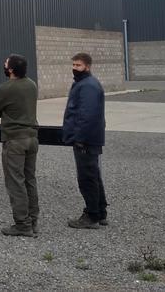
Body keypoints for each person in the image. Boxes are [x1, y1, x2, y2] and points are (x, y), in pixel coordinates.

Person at [0, 54, 40, 237]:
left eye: (5, 63)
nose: (3, 65)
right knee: (29, 180)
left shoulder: (5, 88)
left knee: (15, 182)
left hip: (15, 140)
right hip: (32, 138)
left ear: (10, 69)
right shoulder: (32, 85)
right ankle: (33, 221)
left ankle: (22, 224)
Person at [62, 52, 109, 229]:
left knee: (87, 178)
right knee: (93, 175)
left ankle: (91, 216)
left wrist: (80, 138)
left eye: (78, 65)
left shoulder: (88, 86)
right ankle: (100, 212)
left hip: (86, 140)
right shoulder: (84, 84)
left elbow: (87, 115)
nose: (75, 68)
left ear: (87, 67)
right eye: (73, 65)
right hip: (89, 138)